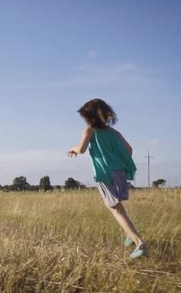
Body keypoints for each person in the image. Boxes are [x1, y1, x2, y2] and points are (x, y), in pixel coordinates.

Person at [67, 98, 148, 259]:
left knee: (115, 209)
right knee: (118, 207)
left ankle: (139, 243)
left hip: (104, 173)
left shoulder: (89, 131)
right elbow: (129, 150)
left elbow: (82, 149)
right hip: (119, 172)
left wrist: (73, 149)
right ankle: (130, 234)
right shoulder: (115, 132)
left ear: (90, 117)